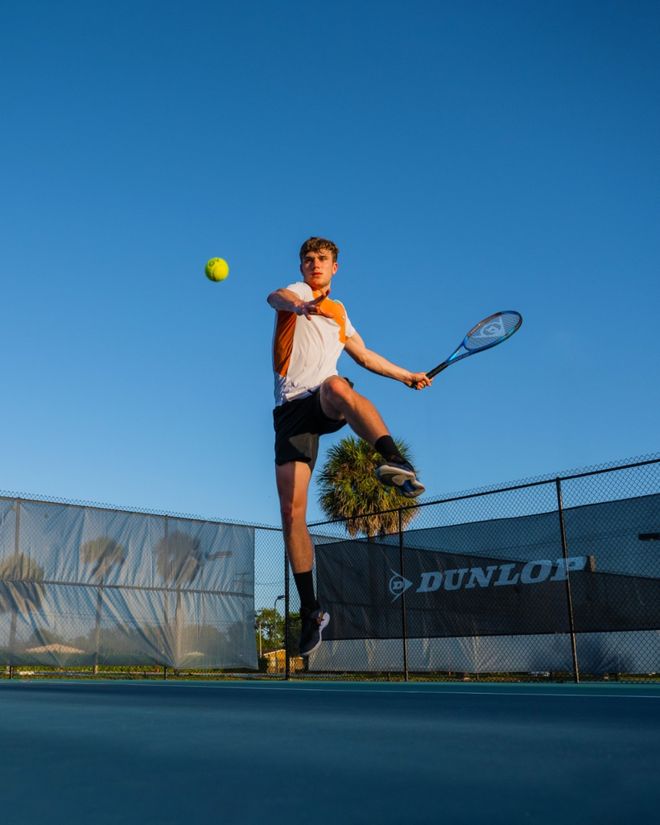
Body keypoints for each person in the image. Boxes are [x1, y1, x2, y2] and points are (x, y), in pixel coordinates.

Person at [267, 237, 432, 657]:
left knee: (338, 384)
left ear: (335, 267)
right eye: (308, 260)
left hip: (324, 398)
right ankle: (311, 610)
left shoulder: (340, 313)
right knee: (291, 515)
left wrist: (405, 375)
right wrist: (295, 304)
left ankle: (395, 459)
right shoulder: (298, 293)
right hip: (290, 410)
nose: (314, 265)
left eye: (322, 259)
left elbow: (364, 355)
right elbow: (275, 297)